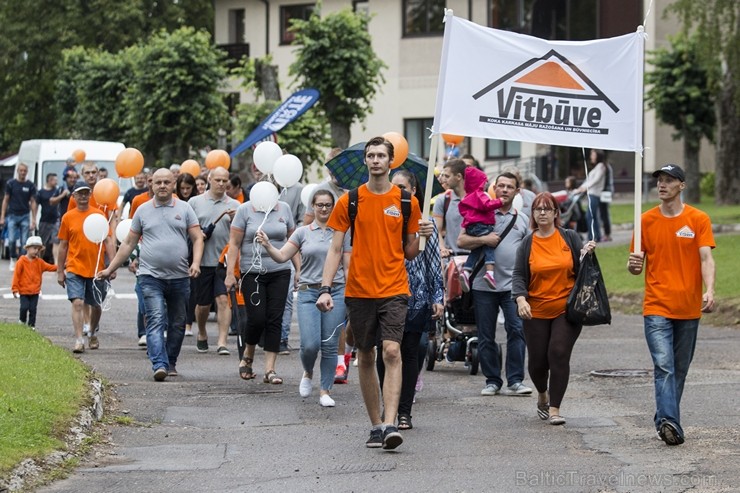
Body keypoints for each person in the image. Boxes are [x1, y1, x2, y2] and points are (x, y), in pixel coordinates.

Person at [316, 136, 433, 451]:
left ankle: (392, 422)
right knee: (366, 355)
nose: (376, 160)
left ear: (391, 161)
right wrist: (326, 288)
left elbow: (409, 253)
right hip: (359, 289)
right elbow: (336, 247)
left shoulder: (407, 201)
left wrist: (421, 236)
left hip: (395, 288)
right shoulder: (350, 200)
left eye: (381, 155)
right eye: (371, 155)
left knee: (392, 351)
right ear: (365, 161)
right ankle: (376, 425)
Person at [627, 164, 715, 446]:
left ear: (682, 186)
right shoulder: (645, 221)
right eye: (659, 181)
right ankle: (669, 423)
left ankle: (664, 418)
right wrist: (633, 265)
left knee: (679, 368)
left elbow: (705, 258)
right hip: (656, 306)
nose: (662, 185)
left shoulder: (698, 219)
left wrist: (710, 290)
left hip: (688, 307)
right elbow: (635, 268)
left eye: (669, 180)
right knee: (664, 366)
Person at [98, 169, 203, 381]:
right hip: (150, 276)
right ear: (151, 185)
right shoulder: (143, 211)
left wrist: (196, 263)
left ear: (173, 184)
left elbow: (197, 238)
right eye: (158, 182)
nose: (162, 186)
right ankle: (159, 364)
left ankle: (170, 361)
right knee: (155, 319)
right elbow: (128, 243)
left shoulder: (185, 208)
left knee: (177, 322)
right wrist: (111, 268)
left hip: (180, 277)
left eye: (166, 182)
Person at [256, 189, 350, 406]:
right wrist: (268, 245)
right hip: (309, 292)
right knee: (310, 344)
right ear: (313, 207)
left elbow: (347, 265)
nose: (324, 209)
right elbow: (282, 257)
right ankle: (308, 372)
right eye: (320, 205)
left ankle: (325, 391)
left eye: (328, 205)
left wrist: (350, 292)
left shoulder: (342, 232)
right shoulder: (302, 232)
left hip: (336, 291)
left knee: (329, 343)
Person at [512, 192, 595, 425]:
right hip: (535, 310)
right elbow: (518, 275)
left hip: (566, 310)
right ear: (533, 214)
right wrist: (520, 300)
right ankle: (542, 394)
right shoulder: (528, 243)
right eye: (538, 209)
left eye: (547, 209)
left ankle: (555, 409)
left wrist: (586, 256)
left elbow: (583, 272)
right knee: (538, 362)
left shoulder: (569, 237)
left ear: (556, 213)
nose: (542, 213)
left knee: (558, 353)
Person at [454, 172, 533, 398]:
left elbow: (529, 251)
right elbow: (461, 241)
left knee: (517, 330)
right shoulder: (481, 210)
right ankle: (492, 380)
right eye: (501, 186)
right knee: (486, 335)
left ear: (517, 191)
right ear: (494, 189)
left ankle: (516, 380)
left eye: (510, 187)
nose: (504, 190)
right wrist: (483, 240)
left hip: (512, 287)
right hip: (483, 286)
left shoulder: (523, 220)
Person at [376, 170, 443, 430]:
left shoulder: (425, 223)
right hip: (385, 292)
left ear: (414, 191)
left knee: (410, 352)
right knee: (386, 352)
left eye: (402, 187)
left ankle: (404, 412)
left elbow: (433, 263)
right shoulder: (383, 216)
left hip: (416, 296)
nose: (397, 191)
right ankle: (388, 407)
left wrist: (438, 296)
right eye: (394, 187)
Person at [224, 184, 296, 386]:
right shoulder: (245, 209)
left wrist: (299, 270)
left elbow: (292, 241)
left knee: (275, 319)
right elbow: (234, 244)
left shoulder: (284, 209)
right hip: (252, 273)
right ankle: (248, 353)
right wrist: (231, 273)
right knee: (256, 318)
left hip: (280, 271)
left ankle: (270, 369)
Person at [57, 180, 117, 353]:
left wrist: (112, 266)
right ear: (73, 196)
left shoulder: (98, 215)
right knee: (77, 302)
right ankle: (78, 340)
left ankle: (91, 332)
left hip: (96, 268)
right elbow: (62, 246)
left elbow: (108, 241)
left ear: (90, 195)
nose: (83, 197)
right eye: (79, 193)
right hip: (75, 267)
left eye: (86, 193)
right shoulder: (68, 217)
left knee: (96, 305)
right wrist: (60, 271)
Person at [189, 167, 239, 355]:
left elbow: (242, 233)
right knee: (202, 305)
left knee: (223, 300)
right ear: (209, 179)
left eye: (224, 180)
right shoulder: (194, 203)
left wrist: (236, 219)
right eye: (217, 180)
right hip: (201, 261)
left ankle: (222, 341)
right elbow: (187, 228)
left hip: (224, 262)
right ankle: (202, 333)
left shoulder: (235, 205)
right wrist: (198, 234)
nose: (221, 183)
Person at [458, 166, 503, 291]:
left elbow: (463, 211)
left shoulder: (469, 196)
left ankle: (466, 271)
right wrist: (500, 202)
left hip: (471, 226)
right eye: (484, 182)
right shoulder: (480, 194)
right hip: (482, 225)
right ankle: (490, 273)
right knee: (489, 243)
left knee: (476, 250)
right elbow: (487, 205)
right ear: (479, 183)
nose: (486, 184)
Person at [12, 236, 56, 329]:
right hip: (23, 291)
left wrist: (61, 266)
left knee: (33, 309)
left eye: (38, 249)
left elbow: (50, 267)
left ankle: (32, 325)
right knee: (24, 307)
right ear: (28, 248)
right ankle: (22, 321)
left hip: (35, 291)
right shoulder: (21, 261)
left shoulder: (40, 262)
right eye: (34, 248)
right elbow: (16, 276)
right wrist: (15, 289)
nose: (36, 251)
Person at [1, 162, 38, 271]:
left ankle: (22, 261)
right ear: (17, 171)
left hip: (25, 215)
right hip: (12, 214)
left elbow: (33, 202)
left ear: (27, 172)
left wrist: (34, 219)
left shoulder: (30, 185)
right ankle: (13, 258)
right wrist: (2, 216)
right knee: (11, 239)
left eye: (24, 171)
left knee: (24, 241)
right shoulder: (11, 184)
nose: (22, 173)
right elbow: (6, 199)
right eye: (21, 170)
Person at [432, 159, 468, 258]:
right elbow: (436, 229)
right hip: (451, 258)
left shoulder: (478, 198)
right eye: (442, 175)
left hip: (475, 260)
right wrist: (442, 247)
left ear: (459, 177)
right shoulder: (443, 199)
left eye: (447, 176)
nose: (443, 179)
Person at [576, 149, 607, 242]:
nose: (591, 157)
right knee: (593, 216)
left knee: (589, 216)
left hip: (594, 194)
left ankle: (591, 237)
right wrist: (580, 188)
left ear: (598, 156)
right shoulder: (597, 167)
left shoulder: (601, 166)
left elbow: (595, 180)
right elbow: (588, 180)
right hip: (591, 194)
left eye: (593, 154)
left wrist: (585, 188)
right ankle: (596, 236)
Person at [36, 172, 65, 264]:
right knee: (42, 243)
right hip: (44, 220)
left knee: (55, 241)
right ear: (49, 180)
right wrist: (34, 218)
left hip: (55, 220)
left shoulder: (57, 191)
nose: (56, 182)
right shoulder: (41, 192)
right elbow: (36, 205)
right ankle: (39, 260)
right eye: (55, 180)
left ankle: (56, 262)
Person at [599, 159, 614, 241]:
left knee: (604, 213)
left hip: (605, 192)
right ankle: (607, 233)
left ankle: (607, 234)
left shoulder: (604, 167)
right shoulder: (607, 166)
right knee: (605, 213)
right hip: (607, 192)